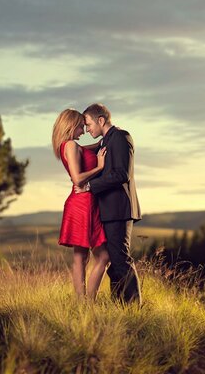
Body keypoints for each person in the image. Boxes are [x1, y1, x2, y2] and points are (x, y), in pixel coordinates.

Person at [74, 103, 142, 306]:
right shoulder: (106, 140)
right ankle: (120, 304)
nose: (87, 130)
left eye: (88, 124)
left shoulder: (121, 137)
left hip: (119, 210)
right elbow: (82, 149)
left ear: (101, 120)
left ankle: (134, 307)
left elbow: (122, 174)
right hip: (109, 211)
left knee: (121, 260)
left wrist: (89, 186)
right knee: (114, 261)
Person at [51, 108, 110, 300]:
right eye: (81, 127)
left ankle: (81, 304)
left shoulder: (69, 145)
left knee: (80, 258)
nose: (84, 131)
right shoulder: (71, 146)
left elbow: (91, 147)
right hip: (82, 202)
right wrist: (100, 167)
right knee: (102, 257)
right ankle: (89, 302)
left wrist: (107, 137)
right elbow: (78, 180)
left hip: (82, 202)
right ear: (72, 125)